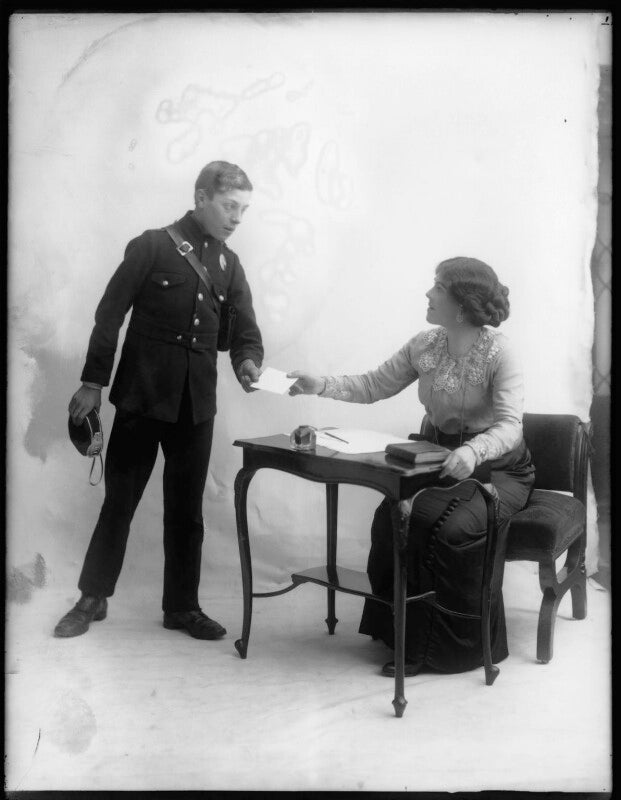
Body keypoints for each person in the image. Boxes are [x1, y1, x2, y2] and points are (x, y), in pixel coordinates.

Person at [288, 257, 535, 676]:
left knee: (452, 530)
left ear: (461, 305)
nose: (427, 292)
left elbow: (511, 425)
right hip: (438, 461)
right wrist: (321, 385)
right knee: (392, 518)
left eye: (436, 286)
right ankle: (399, 634)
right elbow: (372, 385)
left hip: (499, 470)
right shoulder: (424, 345)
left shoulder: (501, 352)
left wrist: (474, 452)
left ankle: (443, 650)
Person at [54, 161, 264, 640]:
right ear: (201, 198)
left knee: (187, 511)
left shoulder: (230, 266)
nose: (236, 218)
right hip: (142, 398)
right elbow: (109, 315)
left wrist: (248, 362)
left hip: (196, 409)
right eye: (229, 206)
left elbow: (246, 332)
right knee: (119, 504)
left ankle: (182, 607)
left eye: (243, 210)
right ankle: (92, 597)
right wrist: (93, 381)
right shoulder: (152, 245)